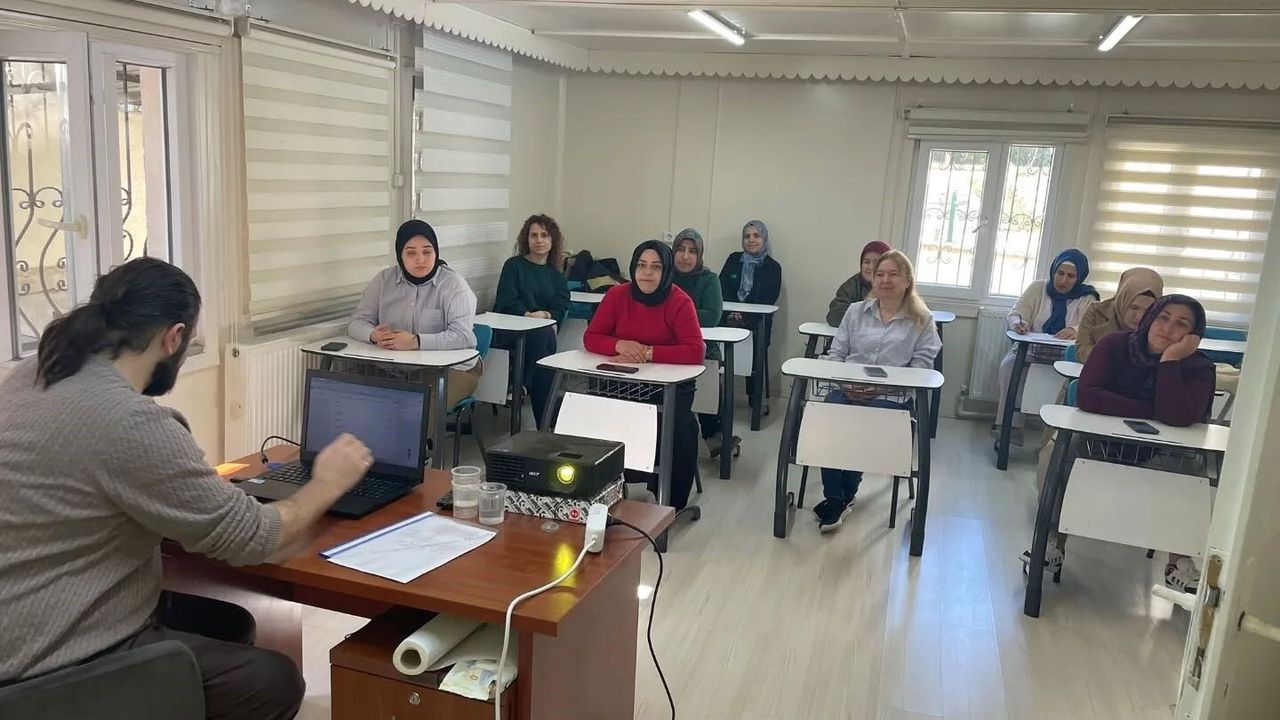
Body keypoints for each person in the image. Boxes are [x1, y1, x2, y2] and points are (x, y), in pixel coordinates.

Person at [0, 259, 374, 720]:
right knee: (272, 680)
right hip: (44, 667)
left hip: (20, 621)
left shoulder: (39, 370)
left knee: (229, 622)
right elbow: (257, 538)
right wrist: (327, 483)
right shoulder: (130, 422)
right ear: (174, 337)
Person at [1028, 295, 1216, 591]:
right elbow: (1088, 396)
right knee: (1057, 454)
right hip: (1098, 445)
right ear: (1151, 318)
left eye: (1181, 324)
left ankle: (1178, 562)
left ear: (1193, 336)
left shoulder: (1198, 367)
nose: (1168, 328)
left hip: (1163, 454)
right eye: (1163, 317)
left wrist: (1170, 361)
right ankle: (1053, 542)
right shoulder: (1114, 345)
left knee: (1192, 472)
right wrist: (1153, 410)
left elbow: (1180, 416)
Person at [813, 251, 941, 533]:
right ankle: (835, 497)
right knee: (828, 414)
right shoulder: (855, 311)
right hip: (848, 388)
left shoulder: (922, 320)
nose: (885, 280)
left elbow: (920, 371)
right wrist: (847, 384)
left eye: (893, 274)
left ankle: (845, 494)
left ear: (907, 281)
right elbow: (836, 355)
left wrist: (879, 388)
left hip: (892, 397)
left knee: (866, 422)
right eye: (880, 274)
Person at [584, 240, 705, 510]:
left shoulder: (679, 301)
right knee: (593, 415)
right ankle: (603, 488)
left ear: (666, 271)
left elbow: (695, 351)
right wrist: (619, 345)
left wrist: (647, 352)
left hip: (668, 388)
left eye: (656, 267)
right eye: (641, 265)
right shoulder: (617, 295)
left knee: (679, 426)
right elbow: (591, 336)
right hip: (621, 382)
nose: (647, 273)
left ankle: (669, 503)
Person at [348, 219, 481, 411]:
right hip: (395, 367)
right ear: (400, 255)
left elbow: (464, 337)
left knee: (416, 410)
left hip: (449, 370)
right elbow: (356, 322)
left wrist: (415, 342)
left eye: (427, 252)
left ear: (436, 252)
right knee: (352, 395)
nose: (420, 259)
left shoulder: (454, 285)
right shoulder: (384, 280)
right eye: (411, 253)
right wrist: (374, 335)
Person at [996, 248, 1099, 437]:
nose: (1063, 280)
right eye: (1060, 273)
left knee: (1079, 380)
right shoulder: (1038, 288)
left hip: (1066, 356)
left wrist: (1074, 330)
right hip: (1031, 350)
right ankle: (1011, 428)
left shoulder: (1087, 298)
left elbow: (1092, 327)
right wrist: (1019, 323)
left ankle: (1057, 434)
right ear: (1053, 271)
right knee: (1008, 366)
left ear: (1080, 278)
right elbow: (1015, 314)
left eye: (1071, 276)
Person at [493, 214, 571, 428]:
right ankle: (545, 425)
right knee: (544, 342)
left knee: (543, 342)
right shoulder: (513, 266)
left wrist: (544, 316)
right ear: (526, 239)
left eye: (544, 235)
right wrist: (528, 316)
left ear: (552, 240)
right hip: (509, 331)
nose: (539, 240)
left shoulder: (556, 276)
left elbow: (560, 306)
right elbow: (506, 300)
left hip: (539, 336)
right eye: (534, 235)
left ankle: (523, 387)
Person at [671, 228, 738, 459]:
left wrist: (672, 315)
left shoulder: (709, 279)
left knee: (707, 393)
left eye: (692, 251)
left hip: (704, 350)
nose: (685, 256)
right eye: (680, 250)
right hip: (668, 347)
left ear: (699, 255)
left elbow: (711, 316)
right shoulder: (664, 276)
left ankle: (715, 436)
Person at [719, 220, 782, 412]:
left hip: (757, 323)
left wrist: (744, 316)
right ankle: (716, 396)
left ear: (764, 239)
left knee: (756, 348)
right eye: (747, 236)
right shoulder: (733, 260)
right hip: (728, 320)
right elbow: (722, 288)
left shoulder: (773, 267)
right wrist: (732, 313)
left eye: (756, 235)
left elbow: (768, 299)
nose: (751, 240)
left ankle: (755, 400)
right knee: (713, 346)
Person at [1075, 267, 1163, 363]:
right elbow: (1083, 351)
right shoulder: (1096, 312)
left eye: (1148, 310)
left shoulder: (1161, 324)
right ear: (1122, 300)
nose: (1139, 317)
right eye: (1134, 308)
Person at [826, 240, 892, 327]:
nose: (871, 267)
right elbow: (835, 316)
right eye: (867, 262)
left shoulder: (897, 286)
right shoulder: (850, 286)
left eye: (877, 263)